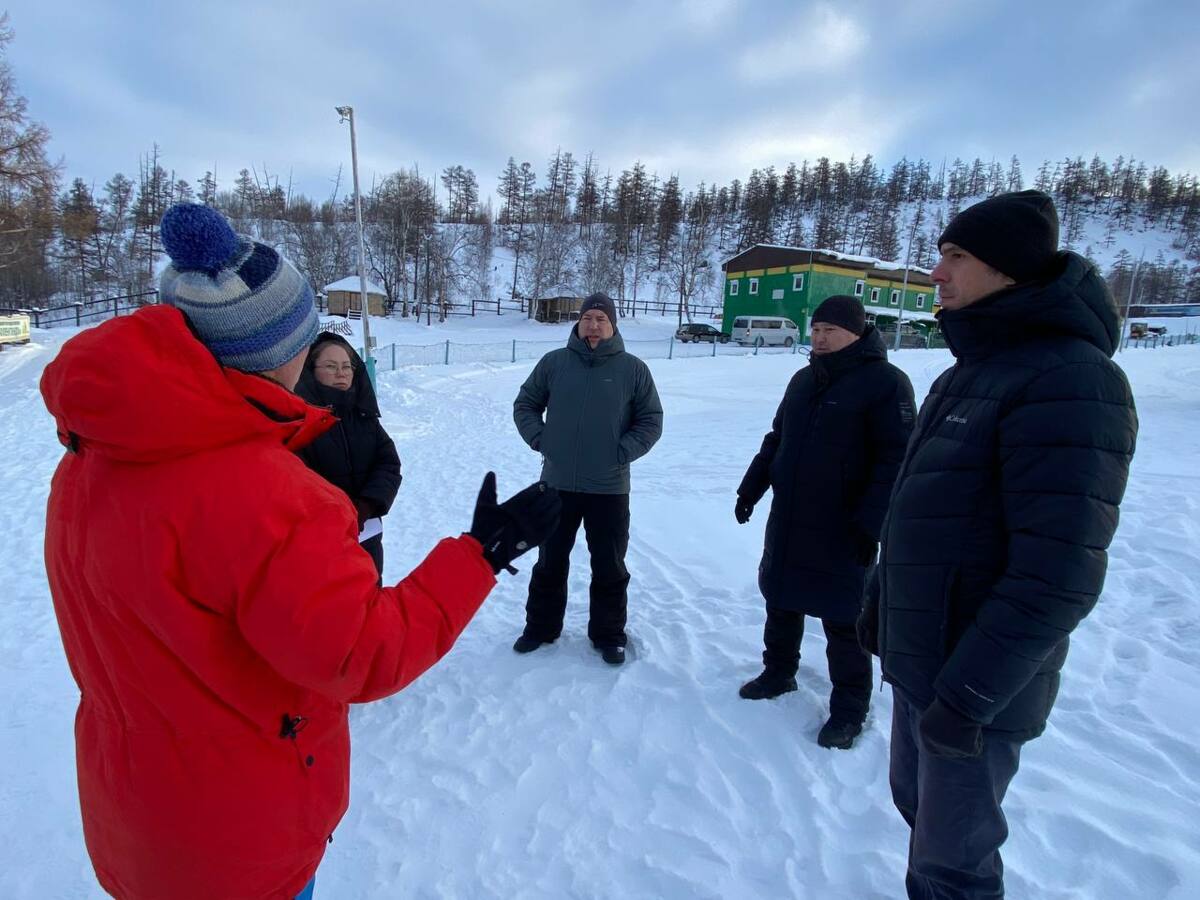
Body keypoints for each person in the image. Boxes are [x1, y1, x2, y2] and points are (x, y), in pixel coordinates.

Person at [39, 203, 561, 900]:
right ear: (277, 350)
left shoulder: (90, 459)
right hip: (236, 845)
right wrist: (477, 557)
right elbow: (362, 652)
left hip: (131, 819)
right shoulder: (266, 494)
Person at [857, 190, 1137, 898]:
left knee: (953, 866)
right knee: (922, 822)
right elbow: (920, 511)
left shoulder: (1073, 381)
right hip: (923, 662)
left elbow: (1058, 574)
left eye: (956, 257)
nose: (936, 273)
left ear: (1008, 270)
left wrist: (971, 693)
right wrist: (881, 600)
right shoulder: (966, 376)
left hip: (974, 683)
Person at [734, 295, 915, 749]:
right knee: (781, 598)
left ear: (856, 333)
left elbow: (896, 460)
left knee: (844, 618)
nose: (819, 338)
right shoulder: (802, 380)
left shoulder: (886, 384)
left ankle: (850, 709)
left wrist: (870, 525)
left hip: (844, 525)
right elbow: (778, 437)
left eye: (829, 331)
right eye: (815, 330)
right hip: (792, 515)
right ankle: (778, 673)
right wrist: (751, 486)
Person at [511, 292, 663, 665]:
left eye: (602, 319)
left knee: (609, 564)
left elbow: (651, 420)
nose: (594, 326)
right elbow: (525, 404)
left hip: (608, 487)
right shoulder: (554, 363)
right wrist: (540, 438)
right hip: (557, 482)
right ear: (578, 324)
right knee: (550, 561)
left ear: (613, 326)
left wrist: (621, 452)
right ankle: (541, 627)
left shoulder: (633, 369)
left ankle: (609, 634)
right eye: (588, 319)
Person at [294, 332, 401, 579]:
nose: (341, 373)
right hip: (322, 539)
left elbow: (388, 463)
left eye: (346, 366)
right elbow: (298, 479)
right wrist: (340, 514)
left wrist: (367, 504)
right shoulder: (300, 422)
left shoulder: (365, 419)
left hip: (368, 534)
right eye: (330, 366)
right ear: (311, 371)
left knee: (371, 600)